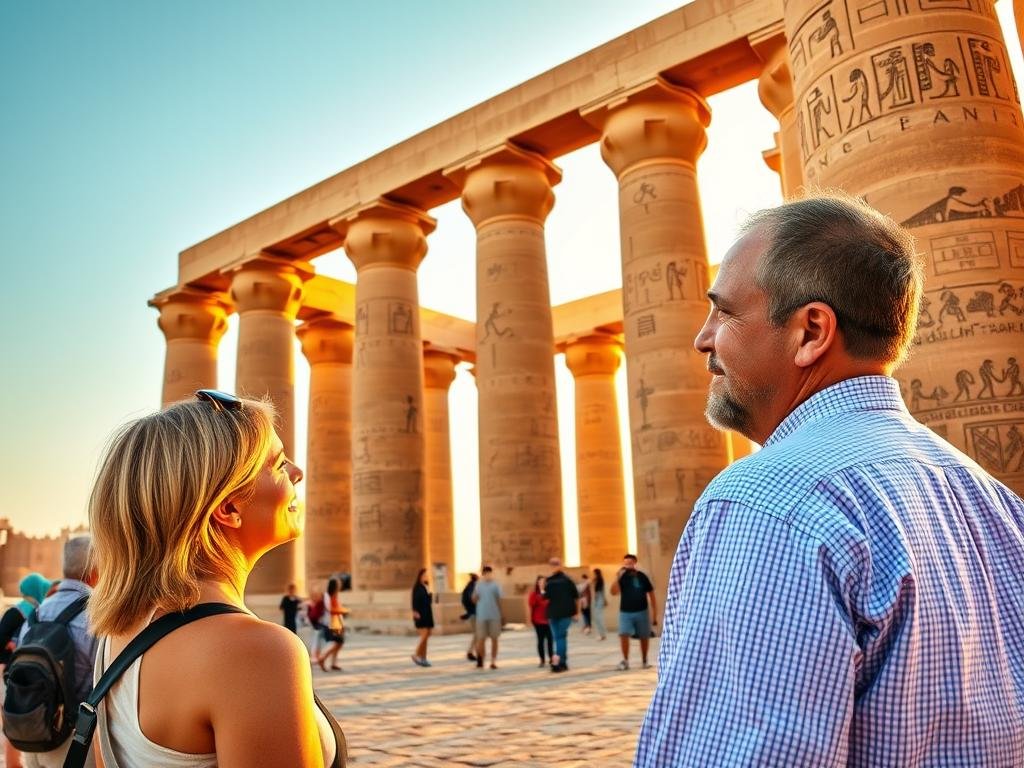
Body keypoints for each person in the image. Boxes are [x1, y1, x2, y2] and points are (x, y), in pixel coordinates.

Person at [635, 195, 1024, 766]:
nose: (703, 338)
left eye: (724, 311)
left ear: (812, 332)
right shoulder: (992, 498)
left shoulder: (765, 504)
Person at [87, 390, 343, 767]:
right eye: (278, 463)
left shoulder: (117, 633)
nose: (297, 472)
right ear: (228, 507)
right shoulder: (257, 653)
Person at [15, 536, 97, 768]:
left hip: (33, 734)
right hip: (72, 740)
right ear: (95, 569)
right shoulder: (95, 616)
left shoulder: (38, 613)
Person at [0, 572, 51, 768]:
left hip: (19, 675)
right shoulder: (31, 613)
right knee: (16, 722)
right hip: (14, 676)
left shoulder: (34, 612)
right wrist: (14, 647)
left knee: (20, 720)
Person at [610, 554, 657, 670]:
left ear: (635, 563)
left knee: (644, 636)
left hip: (642, 611)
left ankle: (645, 661)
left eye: (630, 562)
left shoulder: (642, 576)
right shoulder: (622, 577)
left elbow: (651, 595)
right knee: (623, 634)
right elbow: (613, 592)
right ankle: (625, 661)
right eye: (625, 562)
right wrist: (617, 577)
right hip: (625, 612)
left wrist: (654, 615)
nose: (628, 564)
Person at [542, 558, 578, 673]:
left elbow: (545, 597)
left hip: (553, 613)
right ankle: (562, 662)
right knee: (561, 637)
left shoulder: (549, 581)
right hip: (565, 613)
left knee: (558, 637)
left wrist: (542, 589)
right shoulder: (568, 580)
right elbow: (576, 597)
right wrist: (577, 612)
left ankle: (559, 662)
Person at [471, 565, 502, 669]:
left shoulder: (496, 585)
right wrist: (475, 597)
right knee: (481, 639)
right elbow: (474, 600)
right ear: (483, 574)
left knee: (494, 639)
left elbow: (500, 600)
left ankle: (493, 661)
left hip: (494, 616)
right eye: (486, 573)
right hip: (482, 616)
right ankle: (481, 659)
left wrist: (501, 614)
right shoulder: (478, 585)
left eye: (489, 573)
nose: (488, 575)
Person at [319, 577, 348, 672]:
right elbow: (331, 610)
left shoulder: (335, 596)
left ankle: (334, 663)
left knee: (339, 642)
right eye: (338, 584)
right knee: (338, 642)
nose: (340, 586)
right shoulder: (328, 596)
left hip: (337, 622)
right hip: (332, 623)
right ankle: (323, 658)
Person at [525, 576, 553, 667]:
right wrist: (528, 620)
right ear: (537, 583)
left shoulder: (550, 593)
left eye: (544, 582)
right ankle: (542, 660)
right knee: (540, 640)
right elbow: (530, 607)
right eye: (540, 582)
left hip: (549, 621)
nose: (542, 583)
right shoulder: (534, 594)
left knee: (550, 640)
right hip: (538, 621)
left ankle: (551, 658)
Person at [411, 568, 434, 667]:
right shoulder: (417, 587)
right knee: (424, 635)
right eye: (425, 575)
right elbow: (414, 601)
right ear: (420, 576)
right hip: (421, 615)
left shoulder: (425, 587)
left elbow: (428, 601)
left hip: (427, 614)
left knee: (427, 635)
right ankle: (416, 655)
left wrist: (430, 594)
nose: (426, 576)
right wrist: (415, 611)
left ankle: (423, 658)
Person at [460, 573, 479, 661]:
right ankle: (471, 652)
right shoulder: (472, 588)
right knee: (478, 634)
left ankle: (472, 652)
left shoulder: (468, 587)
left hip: (472, 613)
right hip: (474, 614)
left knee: (477, 634)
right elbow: (472, 599)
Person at [306, 585, 326, 664]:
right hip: (316, 624)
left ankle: (316, 656)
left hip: (318, 624)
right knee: (316, 640)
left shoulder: (320, 603)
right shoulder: (315, 604)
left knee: (317, 640)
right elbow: (312, 615)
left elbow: (316, 614)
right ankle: (315, 656)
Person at [591, 568, 608, 640]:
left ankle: (602, 634)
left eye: (594, 573)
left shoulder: (599, 580)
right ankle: (602, 634)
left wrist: (604, 600)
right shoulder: (595, 580)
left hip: (599, 598)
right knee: (597, 617)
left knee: (598, 617)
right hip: (597, 598)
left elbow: (601, 591)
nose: (593, 575)